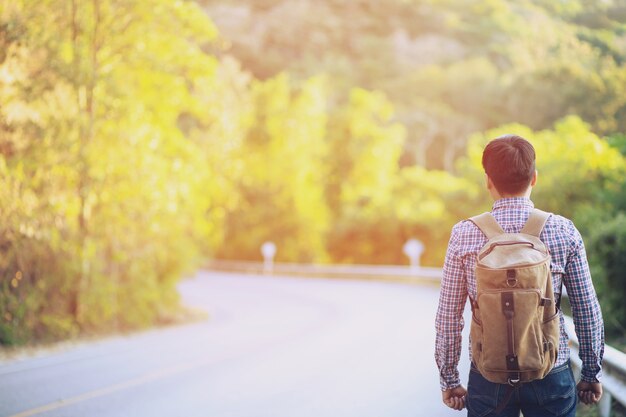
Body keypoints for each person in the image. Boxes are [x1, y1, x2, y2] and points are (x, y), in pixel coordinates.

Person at [434, 135, 605, 416]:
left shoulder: (463, 234)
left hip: (489, 376)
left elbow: (448, 317)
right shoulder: (563, 231)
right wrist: (590, 373)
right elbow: (587, 310)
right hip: (550, 371)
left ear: (488, 180)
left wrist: (449, 379)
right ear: (534, 178)